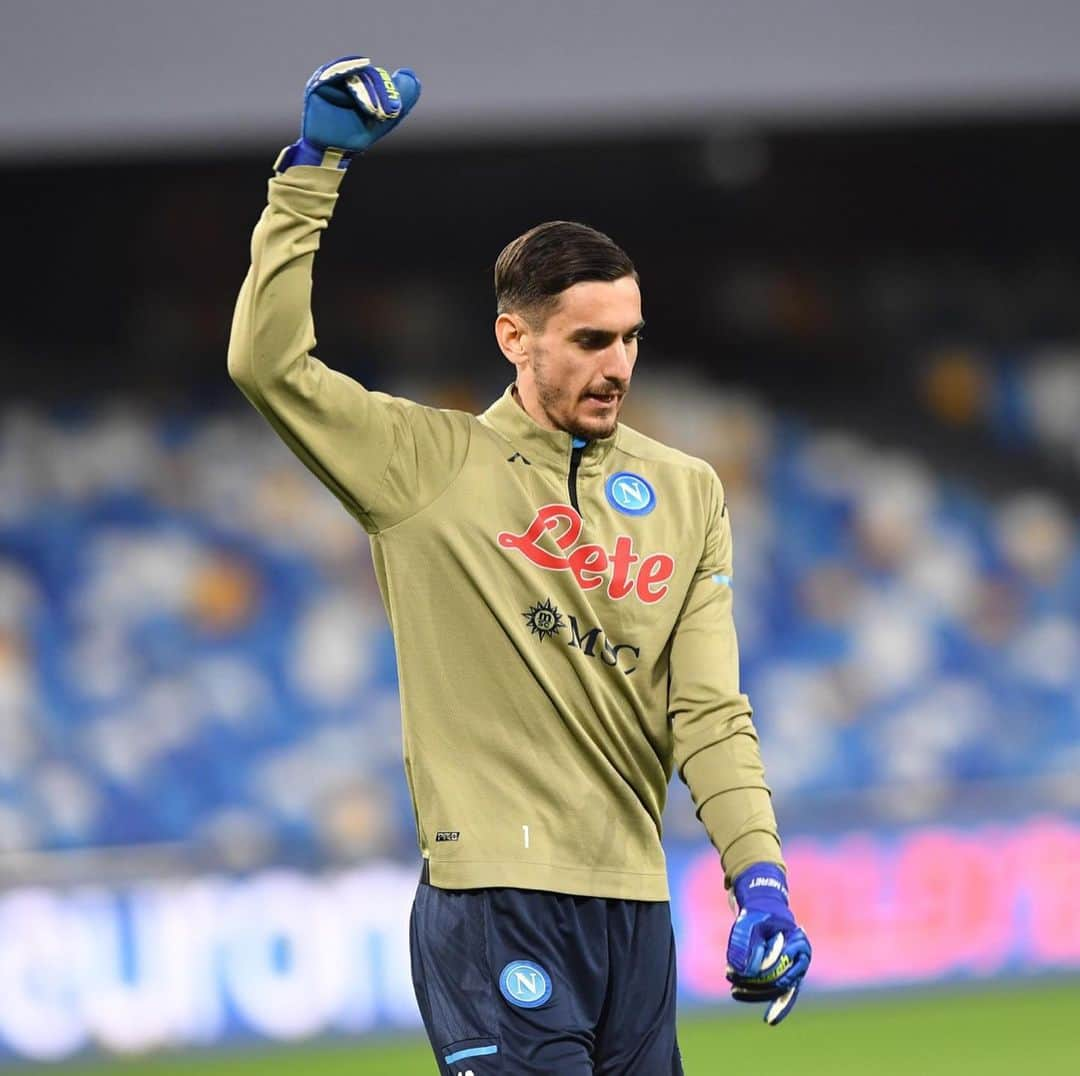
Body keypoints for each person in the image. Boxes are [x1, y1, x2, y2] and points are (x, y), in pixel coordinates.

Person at [228, 55, 811, 1076]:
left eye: (629, 337)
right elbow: (265, 364)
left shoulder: (688, 491)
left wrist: (760, 880)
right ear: (514, 337)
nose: (618, 363)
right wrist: (312, 169)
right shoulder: (426, 465)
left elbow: (709, 710)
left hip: (633, 913)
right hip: (492, 904)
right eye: (589, 339)